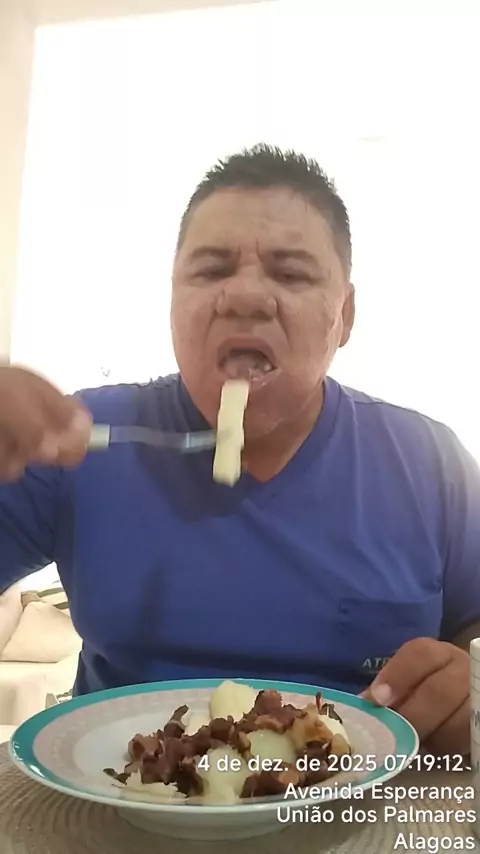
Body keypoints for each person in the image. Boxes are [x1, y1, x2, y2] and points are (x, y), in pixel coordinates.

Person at [0, 144, 477, 757]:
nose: (245, 296)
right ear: (172, 300)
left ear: (346, 314)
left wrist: (467, 684)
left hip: (370, 799)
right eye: (212, 270)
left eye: (291, 273)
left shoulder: (429, 462)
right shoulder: (75, 439)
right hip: (122, 796)